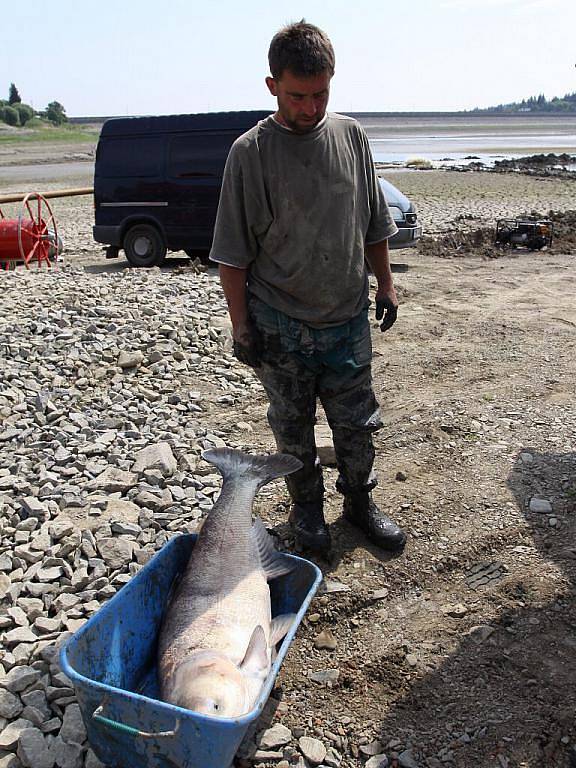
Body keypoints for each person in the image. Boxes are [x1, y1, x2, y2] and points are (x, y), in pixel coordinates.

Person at [209, 21, 406, 557]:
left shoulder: (351, 136)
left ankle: (360, 505)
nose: (311, 107)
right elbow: (231, 254)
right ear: (272, 85)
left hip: (346, 320)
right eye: (298, 96)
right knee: (292, 429)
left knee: (359, 426)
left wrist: (386, 285)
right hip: (280, 324)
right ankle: (308, 513)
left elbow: (373, 224)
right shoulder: (249, 154)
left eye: (321, 94)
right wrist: (241, 326)